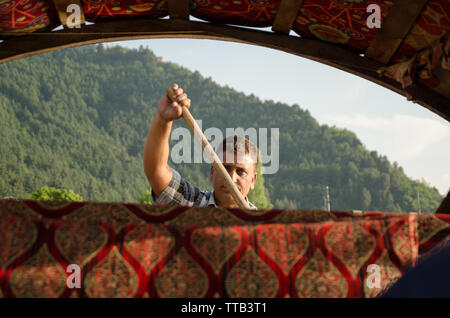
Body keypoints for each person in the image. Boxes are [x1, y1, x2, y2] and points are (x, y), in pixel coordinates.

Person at [143, 83, 258, 210]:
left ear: (253, 180)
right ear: (212, 171)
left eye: (241, 172)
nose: (231, 178)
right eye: (225, 168)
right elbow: (156, 172)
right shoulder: (191, 203)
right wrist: (163, 120)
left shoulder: (264, 225)